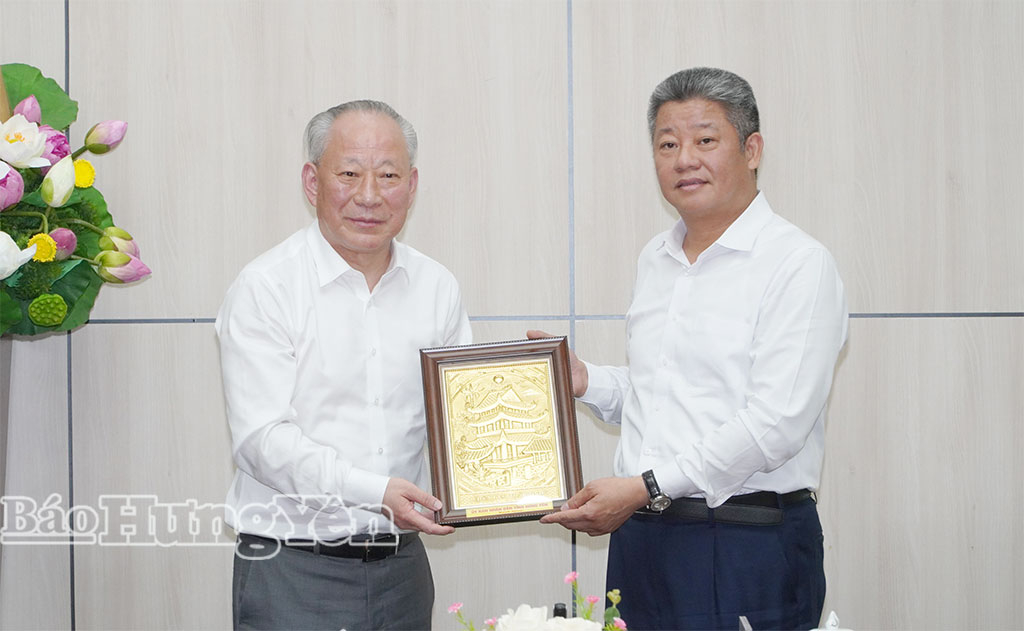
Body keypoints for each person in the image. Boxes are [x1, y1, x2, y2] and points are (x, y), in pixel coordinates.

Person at [532, 67, 848, 630]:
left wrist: (646, 486)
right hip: (643, 538)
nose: (684, 160)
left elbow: (775, 424)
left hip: (745, 540)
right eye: (668, 145)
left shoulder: (798, 264)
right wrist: (586, 382)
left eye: (705, 140)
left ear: (752, 150)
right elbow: (666, 395)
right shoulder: (656, 259)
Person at [216, 100, 471, 630]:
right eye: (350, 174)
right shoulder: (266, 287)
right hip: (293, 569)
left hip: (402, 568)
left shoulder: (436, 287)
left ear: (412, 185)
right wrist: (374, 491)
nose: (369, 195)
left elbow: (462, 420)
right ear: (313, 182)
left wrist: (521, 473)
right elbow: (262, 440)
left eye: (388, 175)